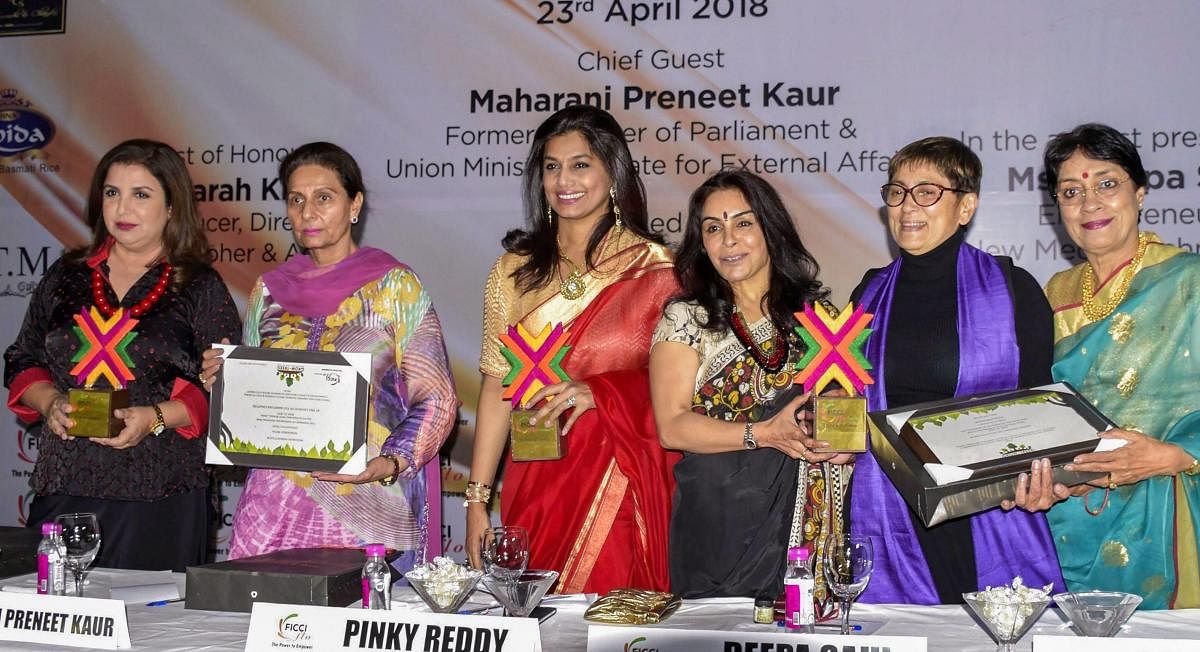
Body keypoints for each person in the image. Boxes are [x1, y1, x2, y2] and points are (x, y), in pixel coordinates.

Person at [204, 142, 456, 570]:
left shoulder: (396, 287)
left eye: (324, 197)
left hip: (364, 500)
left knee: (355, 630)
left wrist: (389, 462)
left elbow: (437, 398)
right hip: (271, 508)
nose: (308, 212)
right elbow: (255, 405)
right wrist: (223, 383)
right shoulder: (268, 291)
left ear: (354, 203)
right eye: (296, 199)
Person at [465, 105, 678, 594]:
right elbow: (498, 383)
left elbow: (682, 389)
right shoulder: (513, 273)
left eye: (581, 164)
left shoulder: (657, 271)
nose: (565, 179)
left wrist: (601, 392)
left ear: (612, 171)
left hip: (619, 484)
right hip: (534, 481)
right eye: (551, 166)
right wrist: (477, 500)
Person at [4, 139, 241, 571]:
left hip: (161, 488)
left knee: (152, 630)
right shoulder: (66, 275)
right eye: (112, 193)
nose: (122, 208)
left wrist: (154, 416)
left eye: (141, 195)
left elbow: (230, 392)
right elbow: (23, 358)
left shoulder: (199, 286)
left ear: (172, 207)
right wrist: (49, 402)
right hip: (66, 481)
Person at [850, 136, 1063, 604]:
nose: (908, 206)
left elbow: (1041, 414)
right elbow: (846, 402)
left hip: (988, 512)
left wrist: (1044, 479)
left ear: (966, 206)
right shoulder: (867, 293)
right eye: (897, 191)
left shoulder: (1013, 289)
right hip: (889, 512)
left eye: (927, 192)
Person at [1008, 123, 1200, 609]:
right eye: (1071, 191)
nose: (1089, 203)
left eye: (1107, 184)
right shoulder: (1049, 295)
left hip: (1166, 514)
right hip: (1067, 524)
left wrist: (1178, 456)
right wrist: (1028, 479)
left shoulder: (1188, 282)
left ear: (1140, 192)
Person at [649, 169, 851, 601]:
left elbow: (840, 412)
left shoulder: (820, 320)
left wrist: (843, 434)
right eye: (713, 228)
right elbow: (672, 427)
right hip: (721, 524)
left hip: (808, 526)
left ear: (769, 229)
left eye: (743, 223)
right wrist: (763, 433)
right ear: (701, 243)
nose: (728, 240)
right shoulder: (687, 318)